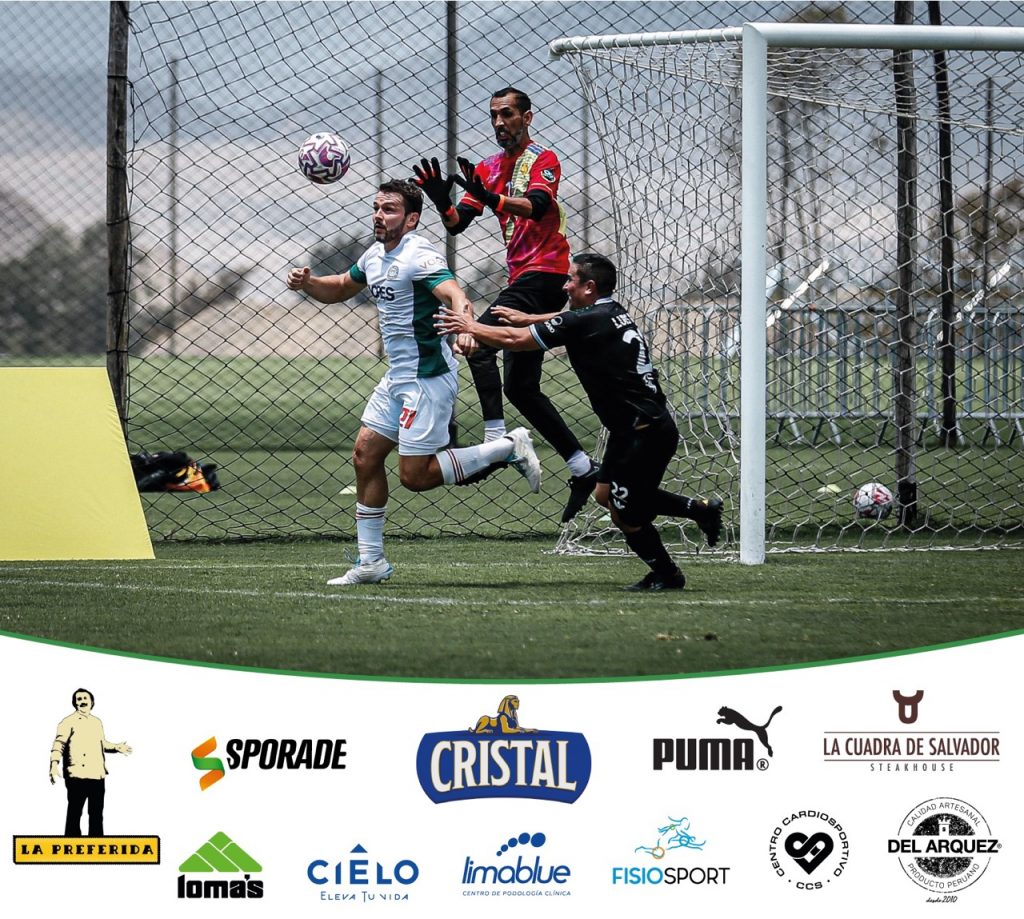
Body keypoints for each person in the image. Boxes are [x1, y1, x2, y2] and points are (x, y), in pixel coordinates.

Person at [287, 179, 542, 586]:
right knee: (365, 456)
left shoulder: (418, 255)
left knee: (415, 477)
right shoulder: (374, 255)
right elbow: (341, 287)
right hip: (397, 377)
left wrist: (466, 326)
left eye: (389, 209)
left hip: (427, 380)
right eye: (376, 207)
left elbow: (456, 294)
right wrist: (309, 282)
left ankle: (507, 447)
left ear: (411, 220)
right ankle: (371, 562)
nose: (378, 215)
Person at [436, 253, 723, 591]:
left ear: (589, 287)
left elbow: (516, 340)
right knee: (605, 493)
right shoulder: (609, 311)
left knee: (626, 513)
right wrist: (530, 317)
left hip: (643, 434)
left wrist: (470, 326)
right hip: (632, 427)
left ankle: (667, 574)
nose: (564, 285)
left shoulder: (584, 321)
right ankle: (699, 510)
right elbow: (567, 318)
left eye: (570, 279)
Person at [412, 86, 597, 523]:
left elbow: (537, 206)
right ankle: (583, 468)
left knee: (474, 341)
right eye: (494, 115)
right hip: (522, 280)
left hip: (546, 275)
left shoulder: (543, 159)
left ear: (526, 117)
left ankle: (497, 442)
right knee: (520, 388)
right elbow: (458, 223)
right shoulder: (488, 168)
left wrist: (491, 198)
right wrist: (441, 201)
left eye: (508, 114)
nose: (499, 122)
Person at [49, 688, 132, 837]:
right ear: (74, 703)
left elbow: (103, 744)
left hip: (97, 775)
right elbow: (59, 744)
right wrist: (54, 764)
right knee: (74, 813)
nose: (82, 701)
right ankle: (71, 845)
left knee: (96, 814)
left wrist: (116, 747)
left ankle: (97, 844)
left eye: (85, 698)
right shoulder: (67, 722)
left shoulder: (97, 722)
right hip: (76, 776)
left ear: (92, 702)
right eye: (79, 699)